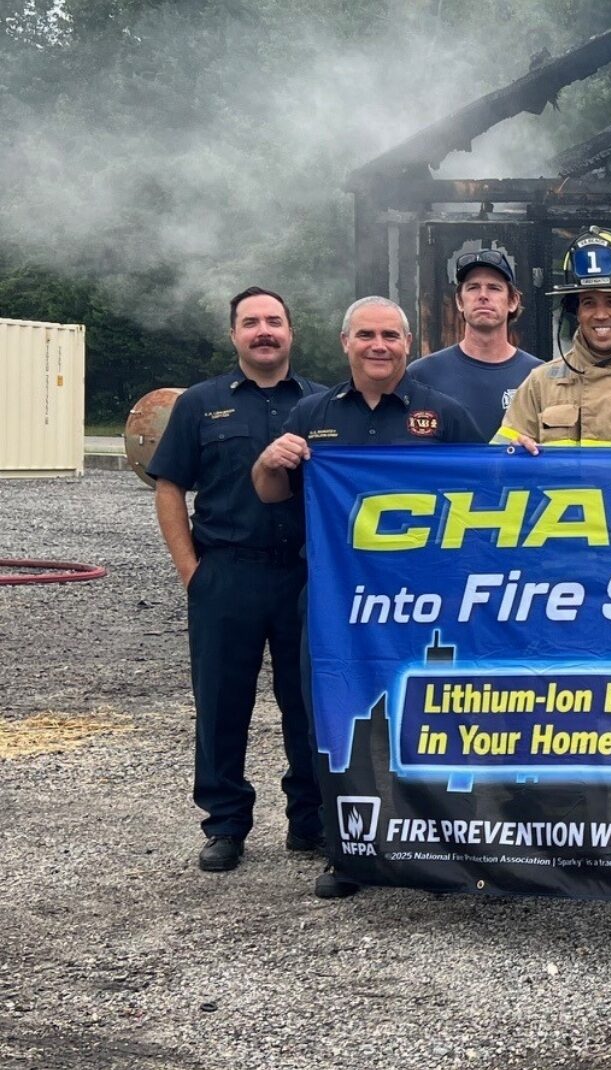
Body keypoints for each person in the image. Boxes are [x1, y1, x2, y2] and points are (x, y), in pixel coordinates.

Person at [253, 296, 486, 899]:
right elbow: (271, 492)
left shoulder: (445, 413)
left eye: (390, 335)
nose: (378, 345)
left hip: (428, 602)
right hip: (338, 602)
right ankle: (347, 852)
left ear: (409, 344)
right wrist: (271, 460)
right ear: (344, 343)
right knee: (335, 721)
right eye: (366, 335)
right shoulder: (312, 412)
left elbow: (488, 498)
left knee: (435, 718)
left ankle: (444, 852)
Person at [148, 286, 324, 874]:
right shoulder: (199, 405)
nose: (264, 331)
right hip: (226, 573)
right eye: (251, 323)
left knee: (308, 703)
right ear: (234, 336)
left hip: (303, 575)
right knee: (222, 704)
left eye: (274, 320)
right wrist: (191, 573)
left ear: (291, 331)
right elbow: (169, 485)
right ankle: (225, 824)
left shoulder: (324, 405)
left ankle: (311, 821)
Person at [495, 227, 611, 449]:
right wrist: (512, 452)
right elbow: (499, 465)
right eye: (589, 303)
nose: (600, 314)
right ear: (576, 311)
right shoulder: (540, 383)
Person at [405, 247, 543, 437]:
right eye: (473, 287)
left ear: (513, 301)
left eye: (494, 288)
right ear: (459, 301)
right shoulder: (422, 374)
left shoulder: (538, 376)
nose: (483, 295)